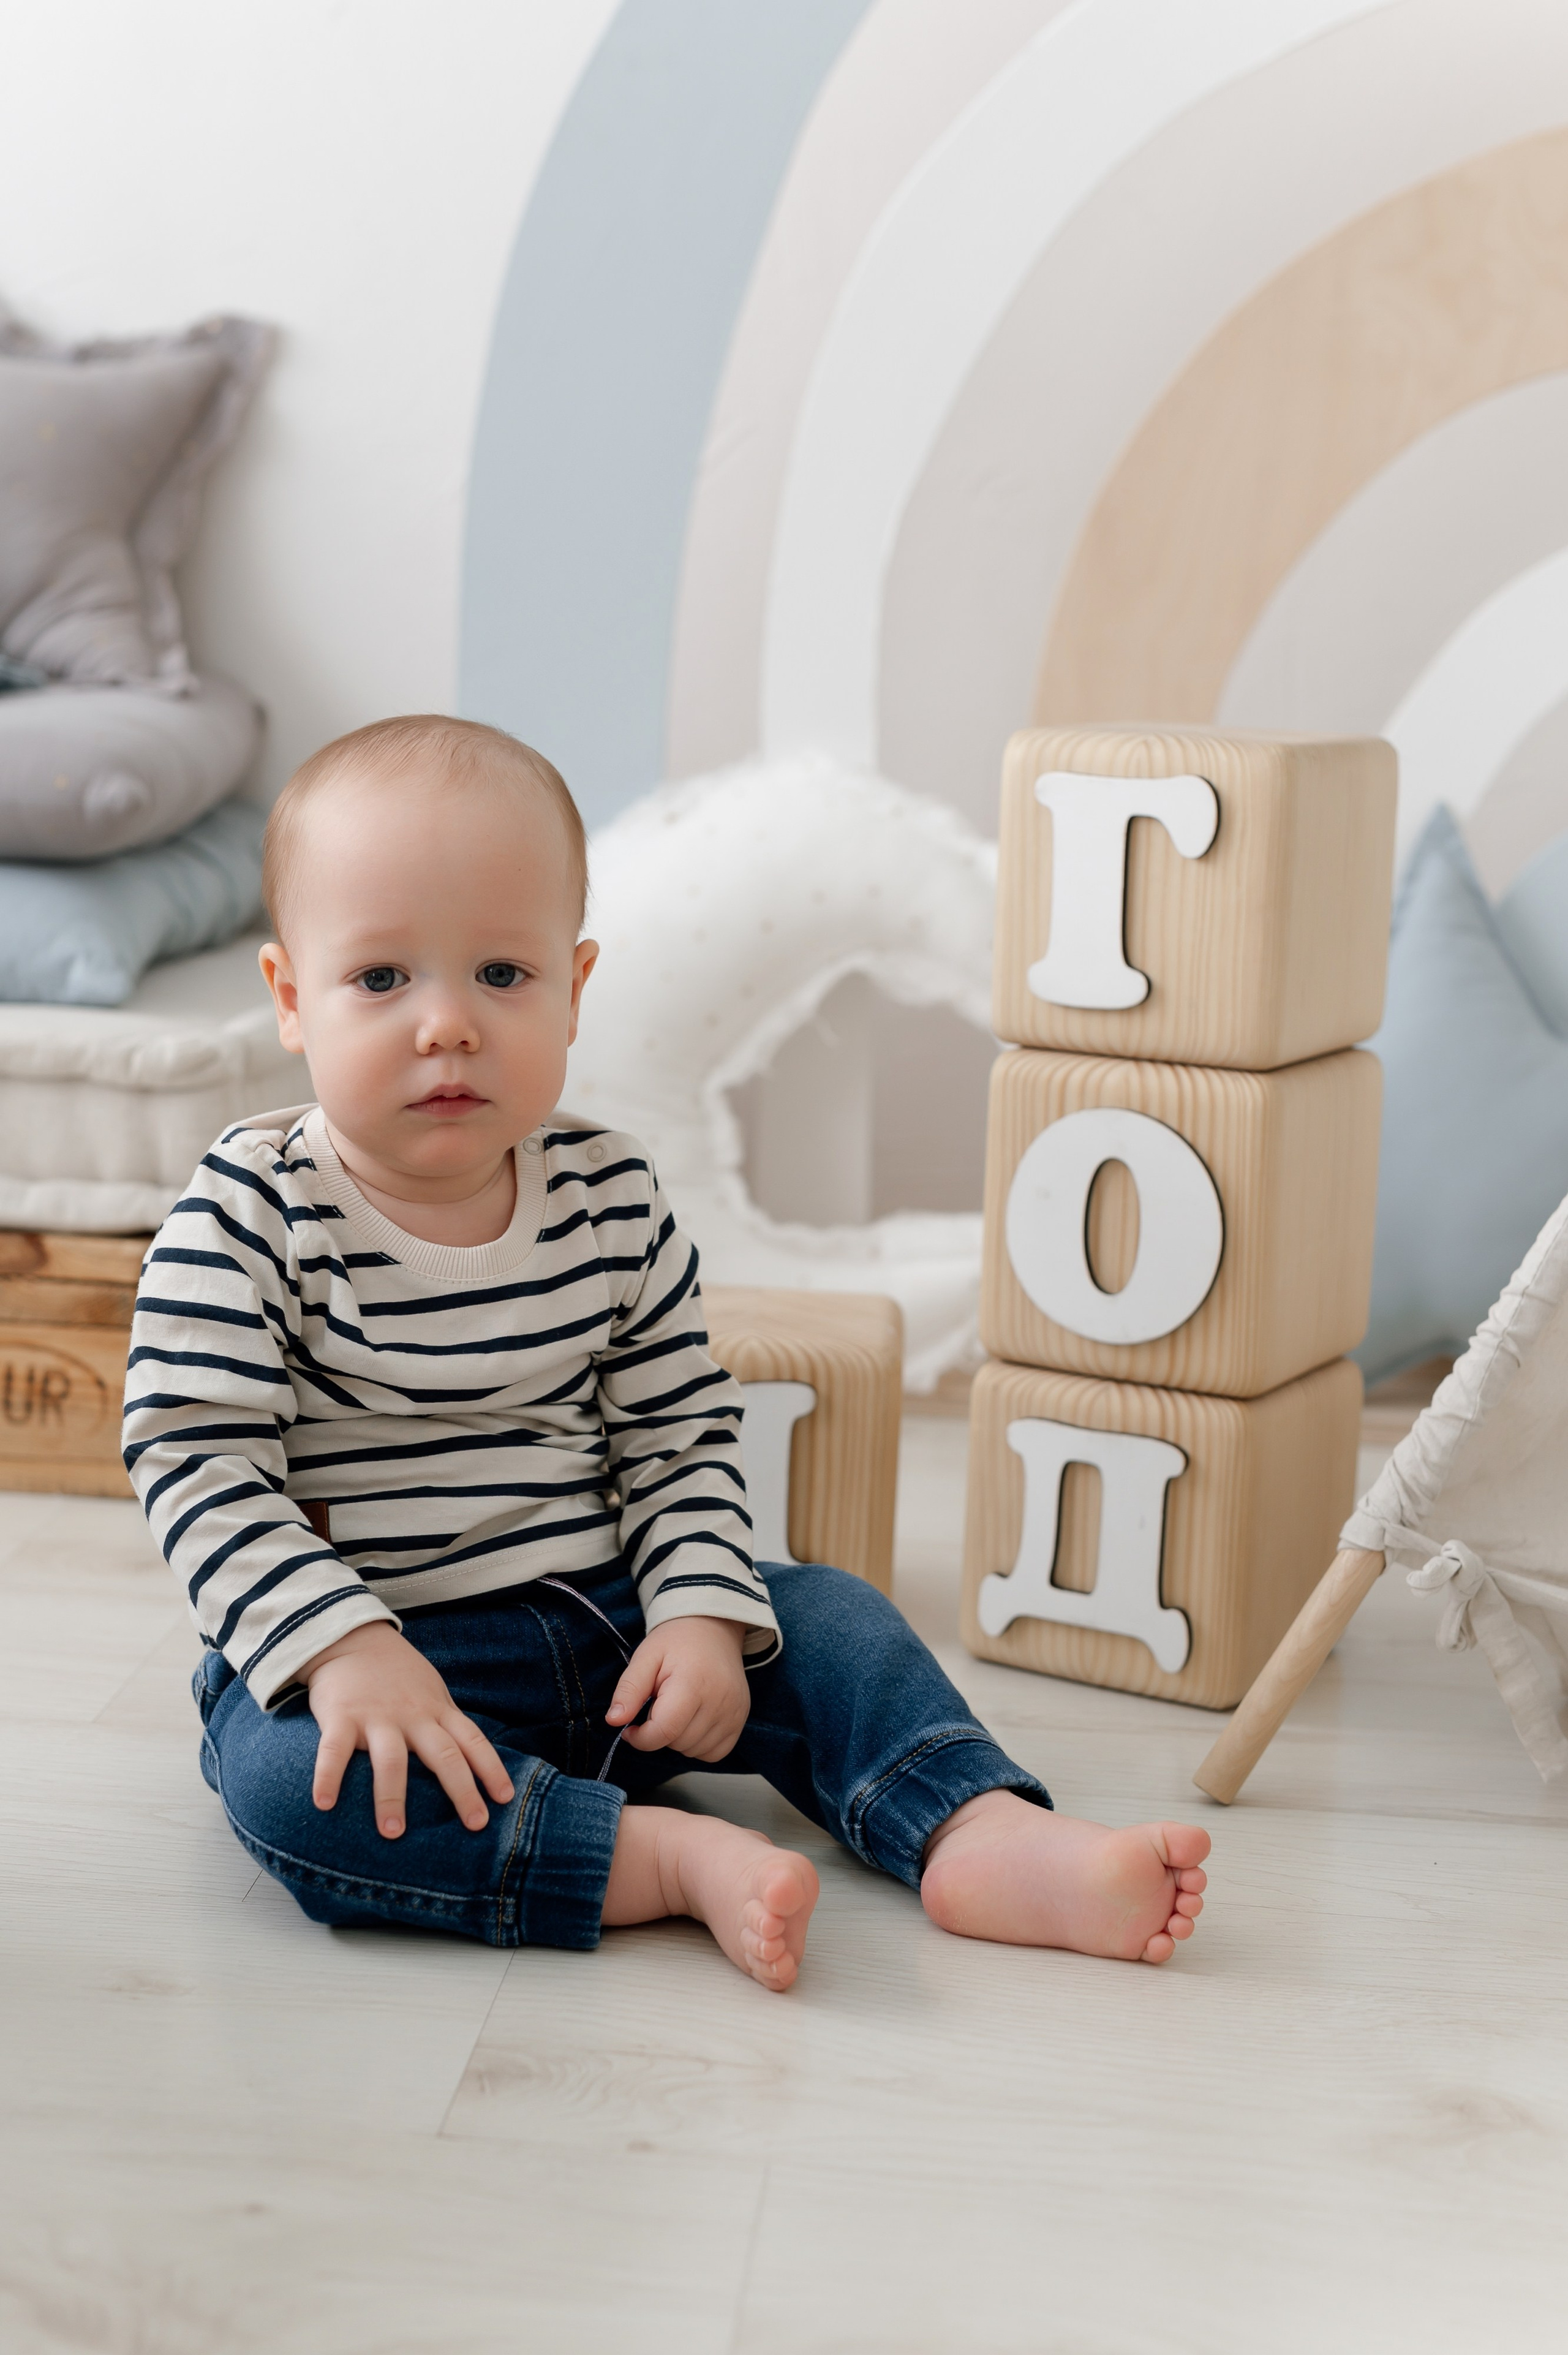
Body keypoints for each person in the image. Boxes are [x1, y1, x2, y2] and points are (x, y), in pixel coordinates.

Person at [123, 715, 1208, 1990]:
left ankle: (975, 1826)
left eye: (502, 976)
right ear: (292, 1001)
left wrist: (696, 1605)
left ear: (576, 986)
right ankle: (650, 1857)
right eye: (381, 980)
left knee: (833, 1616)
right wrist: (341, 1645)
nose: (447, 1025)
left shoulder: (611, 1195)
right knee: (283, 1785)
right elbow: (194, 1456)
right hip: (390, 1660)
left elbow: (678, 1430)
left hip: (616, 1631)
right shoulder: (249, 1211)